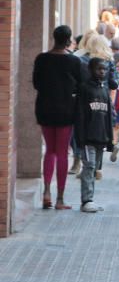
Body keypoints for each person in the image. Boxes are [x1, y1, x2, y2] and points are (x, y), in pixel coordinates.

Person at [33, 25, 82, 210]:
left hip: (45, 109)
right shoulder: (74, 62)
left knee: (50, 151)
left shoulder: (42, 59)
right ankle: (60, 198)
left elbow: (37, 84)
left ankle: (46, 192)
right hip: (65, 110)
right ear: (69, 40)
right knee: (62, 152)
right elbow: (80, 85)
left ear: (54, 38)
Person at [75, 57, 114, 213]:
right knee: (89, 166)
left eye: (104, 69)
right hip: (87, 137)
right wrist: (80, 138)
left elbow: (108, 116)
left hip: (101, 137)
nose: (102, 72)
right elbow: (79, 115)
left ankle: (91, 198)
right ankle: (86, 200)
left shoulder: (105, 89)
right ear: (91, 70)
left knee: (95, 169)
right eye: (99, 69)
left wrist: (110, 139)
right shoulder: (84, 89)